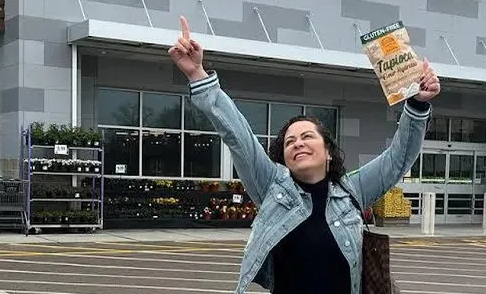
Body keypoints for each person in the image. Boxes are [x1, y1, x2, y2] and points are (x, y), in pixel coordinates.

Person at [169, 16, 441, 294]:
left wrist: (417, 105)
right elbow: (238, 135)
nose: (298, 143)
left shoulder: (352, 190)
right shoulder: (272, 187)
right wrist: (198, 75)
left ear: (328, 152)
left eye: (307, 136)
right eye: (290, 142)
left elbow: (398, 159)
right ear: (285, 157)